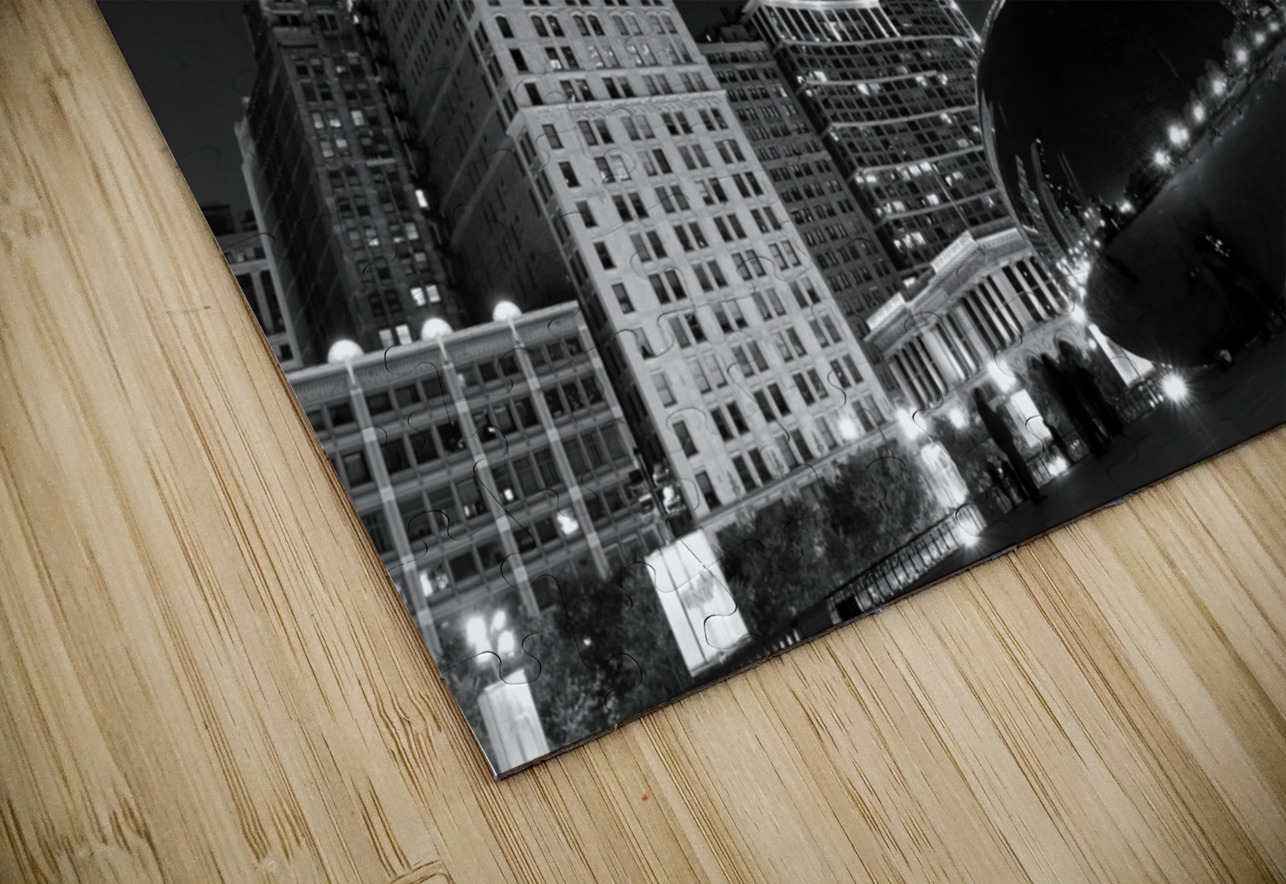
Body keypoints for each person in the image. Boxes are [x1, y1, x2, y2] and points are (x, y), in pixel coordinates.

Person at [973, 389, 1044, 504]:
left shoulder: (982, 409)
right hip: (1005, 441)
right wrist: (998, 412)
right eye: (983, 393)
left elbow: (993, 424)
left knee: (1019, 467)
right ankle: (1035, 494)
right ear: (980, 395)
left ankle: (1034, 494)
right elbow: (995, 423)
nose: (985, 395)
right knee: (1020, 467)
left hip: (1003, 441)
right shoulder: (983, 408)